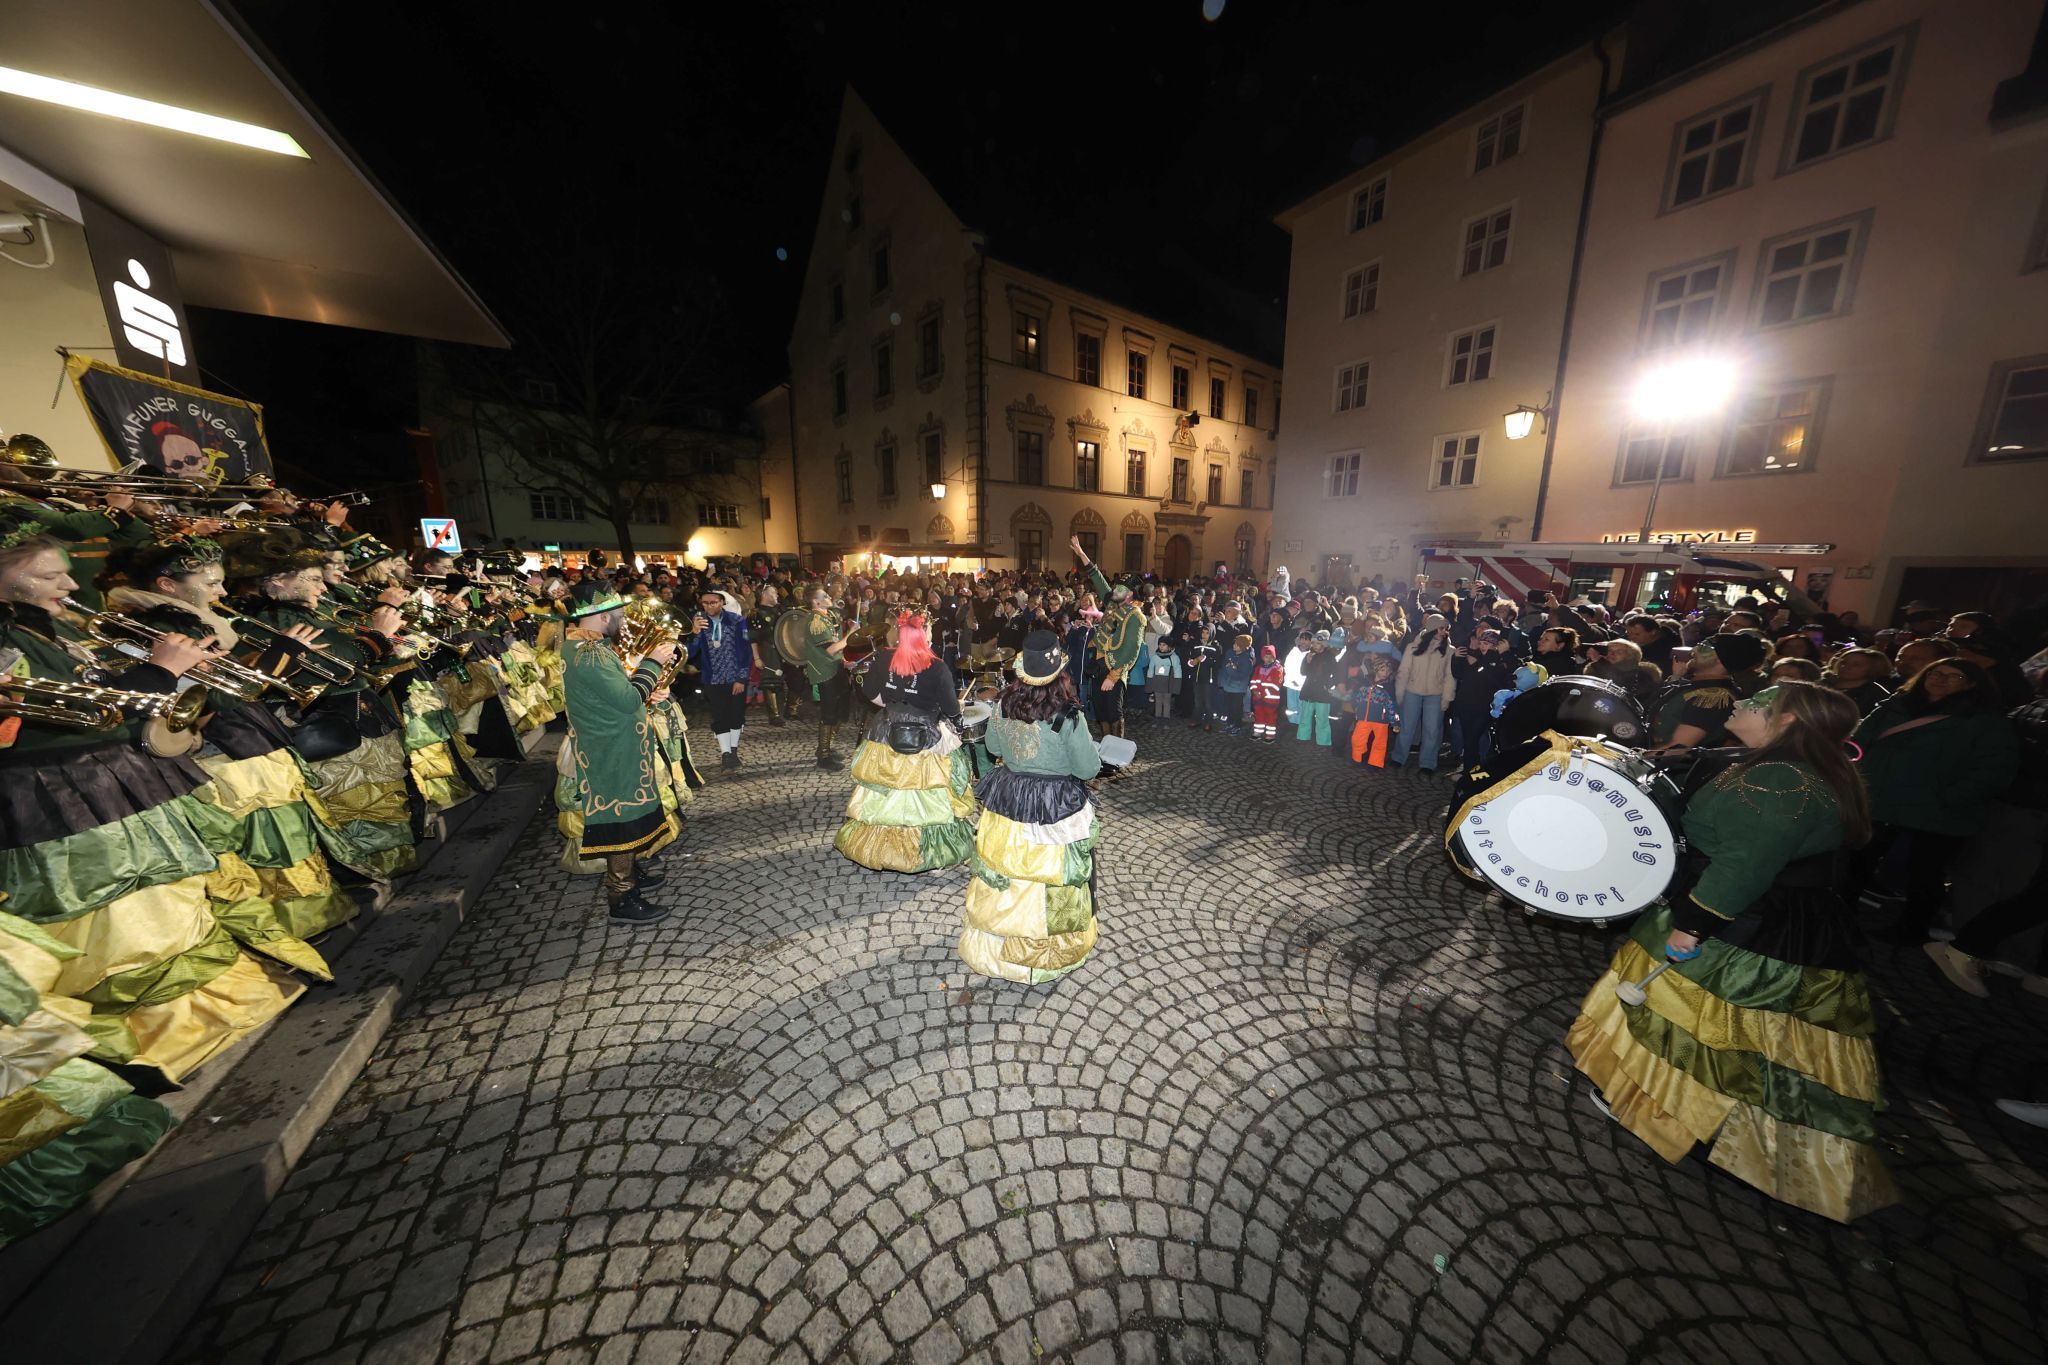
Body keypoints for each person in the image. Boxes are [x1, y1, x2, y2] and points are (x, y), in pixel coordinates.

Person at [0, 517, 306, 1241]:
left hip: (98, 786)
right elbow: (75, 716)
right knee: (121, 926)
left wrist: (170, 675)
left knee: (163, 911)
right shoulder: (12, 639)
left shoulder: (41, 630)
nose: (71, 583)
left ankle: (198, 1012)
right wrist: (159, 672)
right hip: (59, 808)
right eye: (51, 573)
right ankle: (163, 1032)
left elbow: (96, 700)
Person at [1570, 683, 1899, 1222]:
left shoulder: (1779, 779)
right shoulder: (1788, 768)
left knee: (1705, 1028)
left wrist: (1692, 926)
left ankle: (1691, 1123)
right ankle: (1691, 1120)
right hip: (1769, 915)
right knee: (1736, 1035)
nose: (1739, 706)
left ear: (1788, 720)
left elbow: (1744, 865)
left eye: (1753, 704)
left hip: (1744, 923)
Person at [959, 631, 1103, 984]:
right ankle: (1047, 949)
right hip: (1056, 805)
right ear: (1060, 673)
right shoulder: (1069, 716)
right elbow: (1087, 769)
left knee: (1006, 868)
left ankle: (999, 947)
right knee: (1054, 875)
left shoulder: (1004, 705)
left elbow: (993, 747)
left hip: (1010, 796)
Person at [1843, 658, 2020, 942]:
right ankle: (1838, 915)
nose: (1941, 679)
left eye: (1954, 676)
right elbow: (1860, 742)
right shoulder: (1895, 706)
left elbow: (1993, 768)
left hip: (1937, 811)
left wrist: (1950, 797)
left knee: (1924, 873)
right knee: (1857, 861)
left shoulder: (1985, 721)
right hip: (1879, 798)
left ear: (1972, 683)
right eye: (1936, 673)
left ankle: (1911, 929)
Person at [559, 587, 681, 924]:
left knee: (630, 813)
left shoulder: (586, 648)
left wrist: (642, 671)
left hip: (616, 747)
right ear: (602, 616)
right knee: (619, 820)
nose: (624, 621)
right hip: (610, 752)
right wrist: (654, 662)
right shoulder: (591, 654)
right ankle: (622, 895)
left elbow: (615, 694)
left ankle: (631, 873)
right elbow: (629, 700)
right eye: (620, 616)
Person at [835, 612, 975, 872]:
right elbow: (950, 708)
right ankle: (930, 855)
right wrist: (959, 709)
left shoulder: (884, 657)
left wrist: (893, 704)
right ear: (925, 635)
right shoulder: (937, 666)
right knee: (929, 798)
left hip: (885, 733)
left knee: (885, 796)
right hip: (926, 736)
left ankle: (881, 850)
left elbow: (870, 694)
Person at [1071, 538, 1142, 740]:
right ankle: (1106, 748)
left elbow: (1131, 649)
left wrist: (1114, 675)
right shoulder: (1112, 602)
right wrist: (1081, 553)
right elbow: (1097, 577)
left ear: (1130, 595)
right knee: (1101, 711)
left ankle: (1116, 751)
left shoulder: (1135, 616)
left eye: (1120, 589)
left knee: (1113, 713)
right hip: (1098, 664)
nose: (1115, 590)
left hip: (1114, 667)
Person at [1649, 633, 1766, 752]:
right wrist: (1676, 677)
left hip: (1664, 768)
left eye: (1703, 647)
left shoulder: (1714, 696)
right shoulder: (1695, 683)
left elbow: (1676, 749)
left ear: (1721, 660)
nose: (1693, 650)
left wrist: (1634, 760)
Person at [687, 588, 751, 770]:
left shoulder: (737, 621)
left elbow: (746, 652)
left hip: (734, 678)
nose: (709, 606)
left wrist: (741, 678)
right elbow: (690, 653)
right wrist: (695, 633)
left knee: (736, 715)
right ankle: (726, 754)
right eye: (705, 603)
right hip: (712, 679)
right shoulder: (699, 623)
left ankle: (733, 750)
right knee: (719, 716)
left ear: (722, 602)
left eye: (713, 602)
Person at [793, 585, 854, 770]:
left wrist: (844, 661)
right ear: (816, 602)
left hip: (836, 668)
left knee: (842, 711)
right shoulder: (815, 622)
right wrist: (852, 633)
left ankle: (826, 746)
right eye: (825, 596)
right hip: (824, 672)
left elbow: (837, 644)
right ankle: (823, 755)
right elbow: (831, 648)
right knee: (829, 713)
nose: (829, 597)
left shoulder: (830, 616)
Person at [1392, 612, 1456, 773]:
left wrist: (1447, 697)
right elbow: (1403, 671)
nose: (1444, 631)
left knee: (1432, 730)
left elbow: (1450, 676)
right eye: (1441, 628)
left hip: (1436, 693)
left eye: (1446, 628)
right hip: (1412, 691)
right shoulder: (1413, 646)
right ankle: (1398, 757)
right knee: (1407, 727)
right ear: (1432, 629)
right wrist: (1400, 693)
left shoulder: (1449, 650)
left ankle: (1428, 763)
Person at [1449, 630, 1516, 771]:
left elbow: (1496, 678)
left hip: (1483, 708)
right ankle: (1470, 771)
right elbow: (1459, 674)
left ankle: (1471, 771)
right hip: (1466, 705)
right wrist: (1456, 658)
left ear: (1495, 645)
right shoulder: (1475, 656)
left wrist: (1498, 655)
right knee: (1469, 741)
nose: (1482, 646)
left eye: (1486, 643)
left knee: (1472, 740)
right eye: (1481, 643)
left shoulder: (1498, 660)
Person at [1351, 656, 1400, 767]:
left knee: (1380, 743)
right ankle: (1357, 759)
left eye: (1388, 670)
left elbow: (1392, 706)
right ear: (1376, 670)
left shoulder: (1389, 687)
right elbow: (1356, 697)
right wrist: (1356, 708)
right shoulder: (1365, 683)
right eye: (1383, 670)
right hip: (1364, 718)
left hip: (1381, 721)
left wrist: (1395, 722)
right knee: (1357, 739)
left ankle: (1375, 763)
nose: (1386, 672)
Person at [1295, 630, 1340, 748]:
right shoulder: (1309, 655)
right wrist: (1307, 661)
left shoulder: (1330, 658)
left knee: (1322, 718)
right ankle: (1303, 737)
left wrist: (1328, 685)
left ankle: (1323, 741)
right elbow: (1303, 672)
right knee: (1305, 716)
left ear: (1324, 644)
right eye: (1313, 643)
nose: (1314, 645)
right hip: (1309, 691)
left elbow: (1337, 674)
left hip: (1322, 693)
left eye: (1317, 643)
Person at [1825, 647, 1893, 716]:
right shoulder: (1820, 684)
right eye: (1843, 662)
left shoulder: (1876, 695)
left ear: (1873, 668)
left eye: (1856, 665)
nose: (1846, 667)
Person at [1212, 633, 1255, 736]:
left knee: (1237, 708)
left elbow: (1241, 675)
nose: (1234, 645)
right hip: (1228, 686)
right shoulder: (1230, 653)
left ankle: (1237, 726)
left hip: (1238, 688)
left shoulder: (1246, 659)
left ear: (1243, 646)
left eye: (1237, 644)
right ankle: (1230, 724)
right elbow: (1223, 667)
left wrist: (1230, 669)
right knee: (1229, 707)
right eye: (1234, 643)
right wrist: (1222, 681)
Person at [1248, 645, 1284, 743]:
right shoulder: (1258, 668)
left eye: (1270, 656)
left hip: (1270, 698)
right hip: (1258, 697)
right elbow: (1253, 680)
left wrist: (1262, 692)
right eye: (1266, 656)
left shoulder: (1278, 669)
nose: (1268, 659)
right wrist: (1255, 690)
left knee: (1270, 716)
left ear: (1274, 657)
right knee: (1258, 714)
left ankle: (1270, 735)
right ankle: (1258, 732)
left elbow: (1276, 684)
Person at [1146, 636, 1181, 720]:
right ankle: (1157, 718)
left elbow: (1178, 672)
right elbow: (1150, 670)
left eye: (1164, 645)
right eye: (1160, 644)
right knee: (1158, 701)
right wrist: (1149, 684)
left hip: (1168, 684)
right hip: (1157, 683)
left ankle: (1166, 719)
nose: (1161, 647)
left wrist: (1177, 686)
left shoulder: (1174, 658)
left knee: (1166, 702)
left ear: (1169, 646)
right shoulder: (1155, 657)